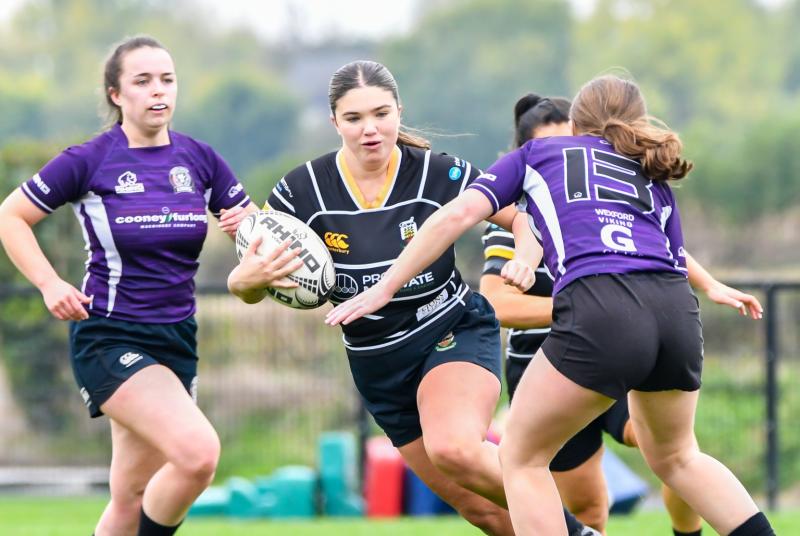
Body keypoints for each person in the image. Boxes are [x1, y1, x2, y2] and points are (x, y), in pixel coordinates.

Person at [325, 74, 775, 536]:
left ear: (575, 124)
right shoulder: (647, 173)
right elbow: (674, 259)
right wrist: (714, 287)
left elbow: (456, 214)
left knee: (520, 459)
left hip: (601, 314)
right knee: (679, 458)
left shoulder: (537, 155)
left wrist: (384, 287)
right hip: (677, 315)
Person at [228, 60, 598, 536]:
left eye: (381, 114)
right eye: (354, 118)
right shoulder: (302, 190)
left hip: (449, 333)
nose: (370, 130)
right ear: (334, 122)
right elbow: (251, 285)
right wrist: (246, 281)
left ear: (399, 112)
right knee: (484, 512)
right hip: (378, 365)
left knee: (455, 448)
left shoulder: (438, 173)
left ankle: (580, 533)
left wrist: (526, 257)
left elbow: (526, 217)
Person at [0, 36, 256, 536]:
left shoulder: (200, 160)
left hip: (177, 338)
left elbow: (256, 231)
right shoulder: (90, 160)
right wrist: (49, 283)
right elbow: (11, 216)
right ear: (116, 94)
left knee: (131, 497)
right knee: (199, 455)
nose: (158, 91)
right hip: (111, 336)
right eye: (142, 81)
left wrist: (251, 235)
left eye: (167, 79)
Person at [481, 93, 764, 535]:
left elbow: (664, 251)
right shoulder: (519, 212)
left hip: (605, 333)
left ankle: (685, 532)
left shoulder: (612, 181)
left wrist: (702, 283)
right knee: (598, 501)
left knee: (663, 450)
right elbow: (499, 303)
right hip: (563, 354)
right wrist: (586, 305)